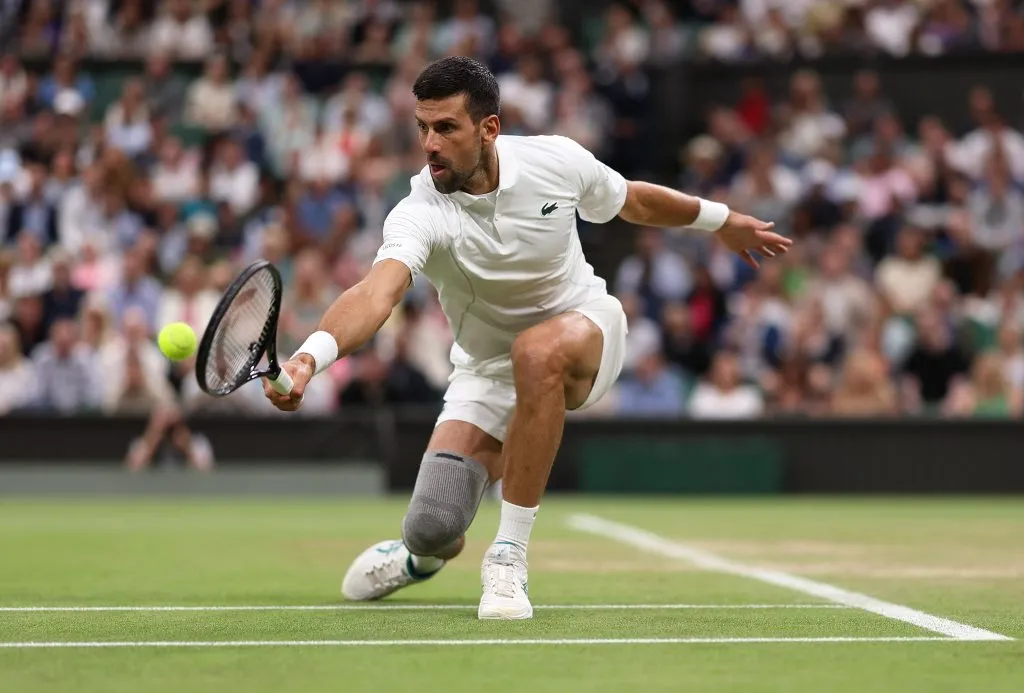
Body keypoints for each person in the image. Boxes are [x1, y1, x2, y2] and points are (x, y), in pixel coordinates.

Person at [262, 57, 790, 620]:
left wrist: (720, 219)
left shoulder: (554, 161)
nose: (429, 144)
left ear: (489, 128)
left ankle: (508, 557)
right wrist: (305, 360)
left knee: (536, 352)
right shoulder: (419, 212)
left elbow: (632, 199)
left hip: (585, 329)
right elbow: (375, 294)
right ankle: (419, 559)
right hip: (485, 372)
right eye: (422, 128)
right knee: (432, 526)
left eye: (446, 128)